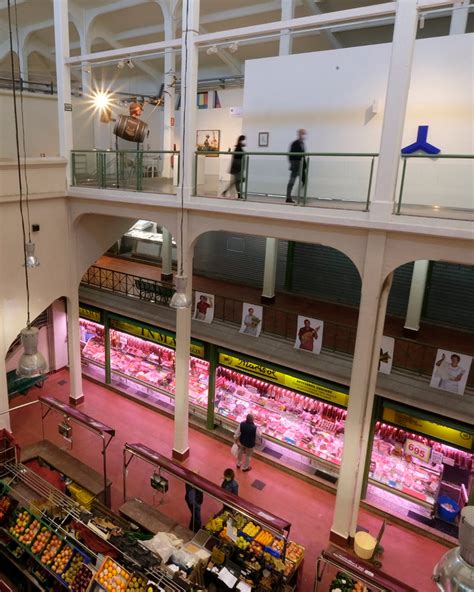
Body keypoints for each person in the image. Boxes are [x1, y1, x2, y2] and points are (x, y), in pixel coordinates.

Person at [286, 129, 307, 204]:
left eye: (304, 134)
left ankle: (300, 197)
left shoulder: (302, 144)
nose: (304, 136)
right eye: (303, 134)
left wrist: (304, 165)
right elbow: (290, 156)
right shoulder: (295, 143)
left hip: (301, 166)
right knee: (291, 182)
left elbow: (303, 156)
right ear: (299, 134)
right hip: (296, 166)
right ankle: (288, 197)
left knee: (304, 181)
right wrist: (293, 164)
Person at [222, 135, 246, 199]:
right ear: (241, 140)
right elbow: (237, 158)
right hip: (237, 166)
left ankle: (226, 192)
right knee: (237, 181)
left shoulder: (238, 147)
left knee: (236, 182)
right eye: (244, 140)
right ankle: (238, 194)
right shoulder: (238, 147)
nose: (245, 142)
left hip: (237, 166)